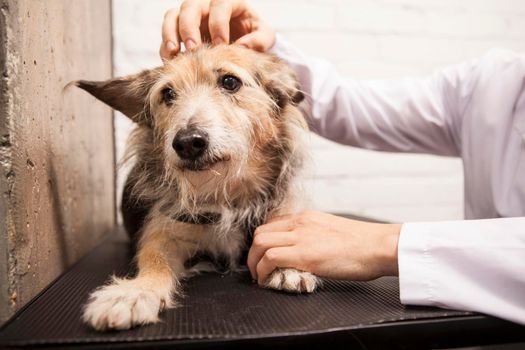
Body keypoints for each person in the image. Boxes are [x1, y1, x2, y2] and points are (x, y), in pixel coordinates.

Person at [159, 0, 525, 325]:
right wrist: (259, 49)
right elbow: (344, 102)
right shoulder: (493, 82)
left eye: (228, 84)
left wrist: (386, 245)